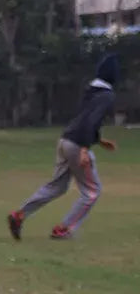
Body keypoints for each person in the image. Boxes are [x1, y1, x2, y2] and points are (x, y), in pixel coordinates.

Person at [8, 54, 119, 242]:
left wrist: (98, 140)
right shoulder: (107, 95)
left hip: (65, 141)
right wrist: (85, 148)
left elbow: (83, 119)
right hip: (77, 145)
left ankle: (20, 215)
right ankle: (64, 229)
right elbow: (91, 120)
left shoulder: (90, 90)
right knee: (92, 192)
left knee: (57, 187)